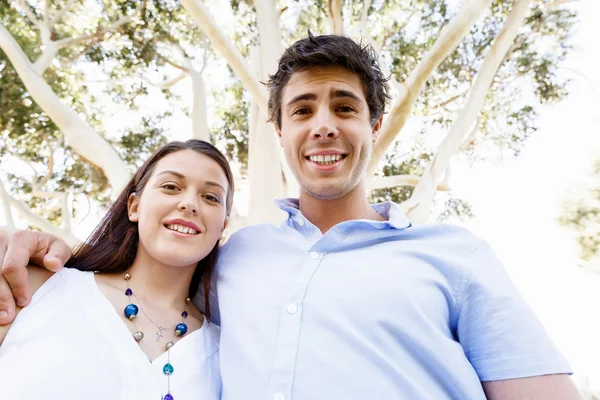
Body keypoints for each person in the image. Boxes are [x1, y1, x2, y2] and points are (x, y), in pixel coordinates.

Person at [0, 33, 580, 399]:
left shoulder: (455, 253)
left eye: (345, 107)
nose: (323, 124)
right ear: (280, 133)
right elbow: (145, 280)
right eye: (302, 109)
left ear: (374, 127)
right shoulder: (236, 260)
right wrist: (41, 251)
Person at [0, 140, 234, 400]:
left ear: (222, 227)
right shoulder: (34, 288)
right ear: (134, 206)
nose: (189, 204)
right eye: (170, 187)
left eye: (211, 197)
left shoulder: (227, 354)